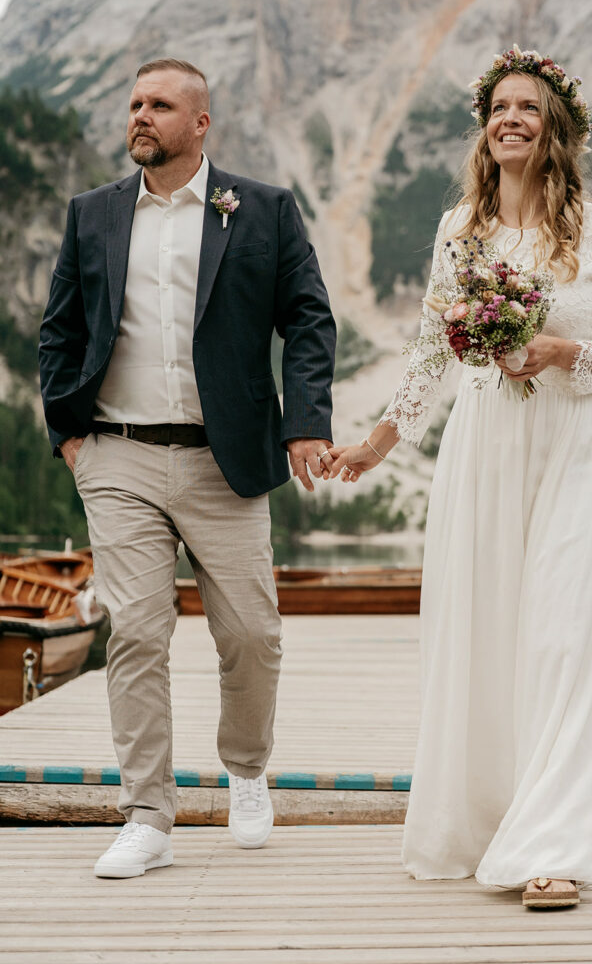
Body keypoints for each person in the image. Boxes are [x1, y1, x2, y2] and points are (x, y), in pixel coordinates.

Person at [328, 45, 592, 909]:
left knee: (563, 642)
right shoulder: (457, 231)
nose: (510, 119)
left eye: (529, 109)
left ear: (555, 131)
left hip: (577, 442)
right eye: (498, 108)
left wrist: (565, 352)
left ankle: (552, 848)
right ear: (484, 127)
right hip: (485, 444)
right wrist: (380, 441)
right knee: (486, 637)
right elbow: (434, 349)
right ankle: (483, 821)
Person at [39, 58, 336, 878]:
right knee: (136, 631)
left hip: (225, 460)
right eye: (135, 103)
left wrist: (306, 423)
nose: (141, 115)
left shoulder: (265, 210)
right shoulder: (92, 213)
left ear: (200, 123)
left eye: (160, 105)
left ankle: (245, 767)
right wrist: (68, 432)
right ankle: (147, 814)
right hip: (117, 455)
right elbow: (59, 330)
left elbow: (309, 320)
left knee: (252, 635)